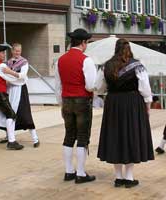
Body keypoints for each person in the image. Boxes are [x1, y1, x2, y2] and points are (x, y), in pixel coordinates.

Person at [96, 39, 154, 188]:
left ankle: (118, 177)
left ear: (115, 49)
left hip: (113, 103)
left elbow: (99, 88)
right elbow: (145, 89)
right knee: (131, 135)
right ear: (129, 49)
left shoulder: (105, 66)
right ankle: (129, 177)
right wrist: (148, 105)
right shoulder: (137, 66)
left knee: (116, 136)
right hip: (132, 104)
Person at [55, 28, 97, 184]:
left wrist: (61, 103)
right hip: (82, 101)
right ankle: (80, 172)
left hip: (66, 100)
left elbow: (57, 86)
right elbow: (90, 85)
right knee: (82, 137)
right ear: (83, 43)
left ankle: (68, 171)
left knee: (69, 135)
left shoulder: (60, 60)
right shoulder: (86, 60)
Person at [0, 43, 40, 148]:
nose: (17, 53)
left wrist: (9, 72)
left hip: (20, 90)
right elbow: (3, 74)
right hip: (10, 89)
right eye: (16, 51)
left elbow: (22, 76)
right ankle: (9, 137)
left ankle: (35, 138)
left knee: (24, 113)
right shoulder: (8, 62)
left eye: (19, 51)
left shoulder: (24, 62)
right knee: (9, 113)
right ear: (12, 51)